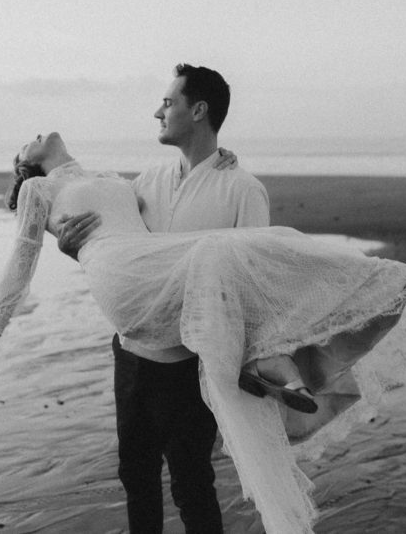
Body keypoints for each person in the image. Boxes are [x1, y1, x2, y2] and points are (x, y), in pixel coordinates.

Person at [0, 130, 406, 534]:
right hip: (126, 286)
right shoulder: (38, 187)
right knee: (138, 468)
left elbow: (173, 185)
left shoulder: (122, 179)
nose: (35, 133)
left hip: (151, 280)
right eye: (25, 144)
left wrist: (222, 162)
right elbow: (21, 258)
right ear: (26, 164)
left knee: (261, 245)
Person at [59, 63, 267, 533]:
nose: (158, 111)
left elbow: (255, 284)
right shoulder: (145, 182)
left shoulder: (242, 189)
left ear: (198, 110)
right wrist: (74, 247)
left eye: (168, 103)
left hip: (189, 365)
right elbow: (117, 258)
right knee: (136, 476)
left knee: (192, 484)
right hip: (130, 355)